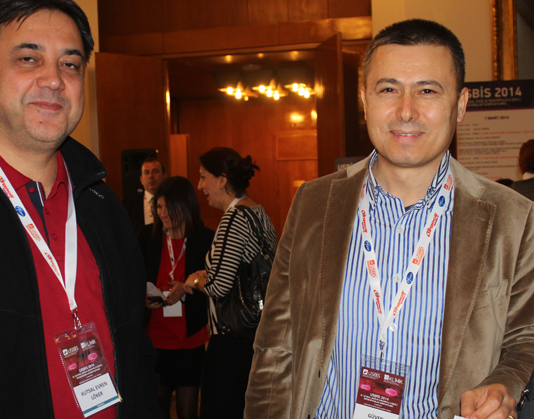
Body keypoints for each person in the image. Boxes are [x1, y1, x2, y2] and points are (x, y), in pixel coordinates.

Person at [244, 19, 534, 419]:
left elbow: (525, 336)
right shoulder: (315, 203)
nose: (406, 111)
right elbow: (275, 345)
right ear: (365, 100)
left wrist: (504, 383)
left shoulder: (512, 217)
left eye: (427, 90)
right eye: (388, 89)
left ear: (461, 104)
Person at [0, 1, 160, 418]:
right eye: (29, 58)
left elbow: (137, 359)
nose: (54, 80)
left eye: (70, 65)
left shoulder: (104, 206)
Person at [183, 147, 277, 419]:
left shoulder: (234, 218)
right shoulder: (256, 210)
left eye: (203, 177)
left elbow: (219, 287)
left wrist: (195, 279)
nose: (200, 185)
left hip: (231, 341)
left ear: (222, 180)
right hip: (255, 335)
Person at [137, 176, 214, 419]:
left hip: (189, 340)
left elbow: (215, 285)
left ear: (186, 205)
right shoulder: (147, 237)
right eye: (159, 206)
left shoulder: (205, 239)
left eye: (169, 207)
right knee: (157, 405)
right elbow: (132, 278)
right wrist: (142, 297)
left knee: (187, 410)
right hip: (155, 339)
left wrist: (188, 286)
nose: (163, 213)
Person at [126, 157, 167, 234]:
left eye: (155, 171)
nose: (151, 176)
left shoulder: (172, 202)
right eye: (147, 172)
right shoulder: (129, 206)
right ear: (141, 179)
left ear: (164, 176)